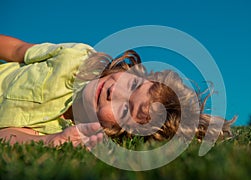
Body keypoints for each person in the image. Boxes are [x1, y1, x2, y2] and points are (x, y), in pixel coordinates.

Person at [0, 34, 236, 148]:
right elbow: (19, 50)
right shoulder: (77, 59)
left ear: (118, 130)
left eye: (125, 110)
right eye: (133, 85)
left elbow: (7, 134)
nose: (116, 92)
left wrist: (52, 140)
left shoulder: (67, 131)